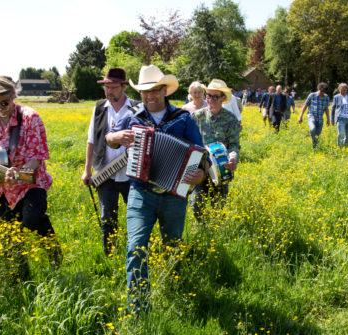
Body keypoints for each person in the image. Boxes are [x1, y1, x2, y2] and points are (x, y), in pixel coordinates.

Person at [106, 65, 206, 311]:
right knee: (136, 248)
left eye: (154, 91)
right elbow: (109, 137)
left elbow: (202, 156)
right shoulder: (134, 117)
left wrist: (200, 175)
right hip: (140, 192)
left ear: (164, 90)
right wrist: (116, 138)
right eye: (144, 92)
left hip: (175, 195)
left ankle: (175, 290)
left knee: (172, 245)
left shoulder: (183, 118)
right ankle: (139, 310)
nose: (149, 97)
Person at [0, 76, 62, 279]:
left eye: (3, 102)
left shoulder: (29, 118)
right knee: (8, 238)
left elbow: (36, 158)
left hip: (29, 182)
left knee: (32, 220)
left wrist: (18, 173)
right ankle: (20, 281)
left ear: (13, 95)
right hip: (2, 186)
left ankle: (54, 251)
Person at [81, 68, 139, 255]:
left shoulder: (137, 108)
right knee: (107, 217)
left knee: (135, 216)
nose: (109, 91)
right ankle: (110, 254)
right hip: (105, 173)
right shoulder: (98, 108)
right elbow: (91, 140)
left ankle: (134, 251)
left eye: (113, 87)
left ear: (123, 87)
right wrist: (87, 170)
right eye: (106, 87)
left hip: (131, 174)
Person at [190, 79, 239, 222]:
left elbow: (234, 145)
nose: (210, 99)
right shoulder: (197, 117)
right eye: (208, 95)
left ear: (223, 98)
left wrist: (233, 158)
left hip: (221, 169)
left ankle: (216, 234)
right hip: (200, 168)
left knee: (219, 208)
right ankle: (202, 229)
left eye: (214, 96)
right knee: (196, 204)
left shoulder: (231, 119)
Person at [298, 82, 330, 148]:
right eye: (321, 91)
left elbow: (326, 109)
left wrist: (328, 119)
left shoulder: (326, 97)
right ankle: (313, 140)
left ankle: (315, 147)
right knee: (312, 129)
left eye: (323, 92)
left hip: (320, 118)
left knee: (318, 136)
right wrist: (300, 116)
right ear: (319, 89)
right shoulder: (312, 95)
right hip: (311, 116)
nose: (322, 93)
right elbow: (305, 105)